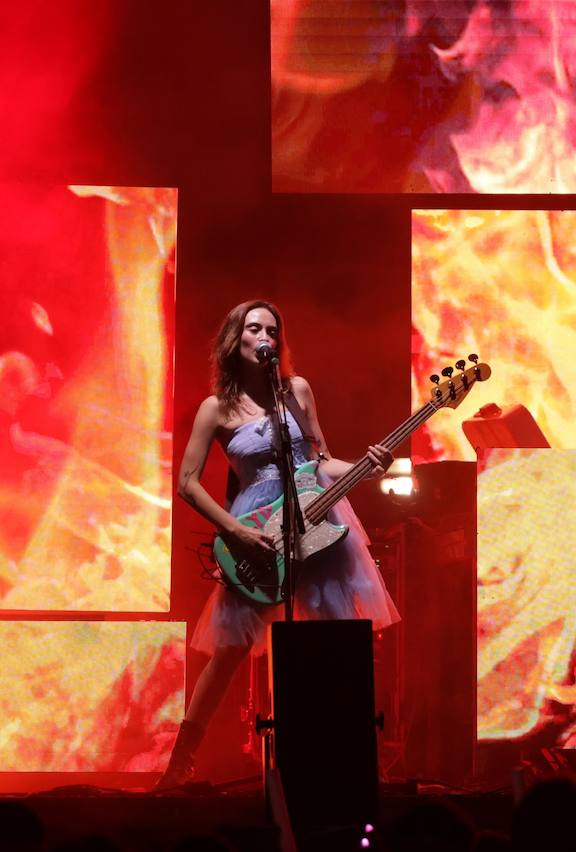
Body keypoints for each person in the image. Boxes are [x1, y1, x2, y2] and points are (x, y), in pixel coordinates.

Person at [156, 300, 400, 789]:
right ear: (236, 339)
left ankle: (349, 760)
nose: (264, 335)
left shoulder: (298, 391)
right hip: (255, 529)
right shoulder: (216, 409)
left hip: (316, 521)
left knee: (335, 637)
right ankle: (181, 761)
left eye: (272, 328)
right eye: (253, 328)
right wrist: (236, 531)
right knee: (228, 650)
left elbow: (320, 462)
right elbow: (187, 482)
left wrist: (364, 464)